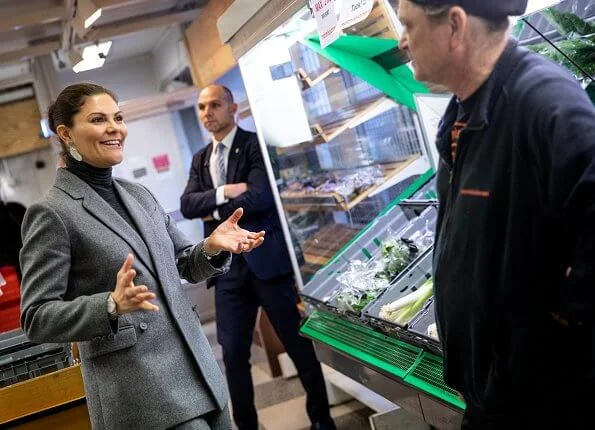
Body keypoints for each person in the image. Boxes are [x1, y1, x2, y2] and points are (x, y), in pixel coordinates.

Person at [19, 83, 266, 430]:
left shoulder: (139, 195)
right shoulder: (52, 213)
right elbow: (36, 317)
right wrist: (109, 305)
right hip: (142, 391)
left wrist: (211, 246)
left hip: (198, 370)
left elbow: (184, 263)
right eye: (98, 119)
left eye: (118, 118)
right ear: (66, 133)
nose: (114, 128)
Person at [397, 0, 595, 427]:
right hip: (490, 391)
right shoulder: (458, 115)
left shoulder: (543, 101)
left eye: (408, 26)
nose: (401, 42)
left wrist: (554, 325)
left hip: (541, 400)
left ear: (454, 25)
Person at [180, 85, 335, 430]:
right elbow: (187, 204)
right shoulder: (200, 158)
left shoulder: (253, 145)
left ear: (232, 107)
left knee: (298, 347)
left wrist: (214, 210)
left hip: (267, 263)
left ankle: (323, 423)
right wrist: (225, 192)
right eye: (202, 106)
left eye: (215, 105)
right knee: (233, 353)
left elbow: (261, 197)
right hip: (227, 272)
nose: (207, 112)